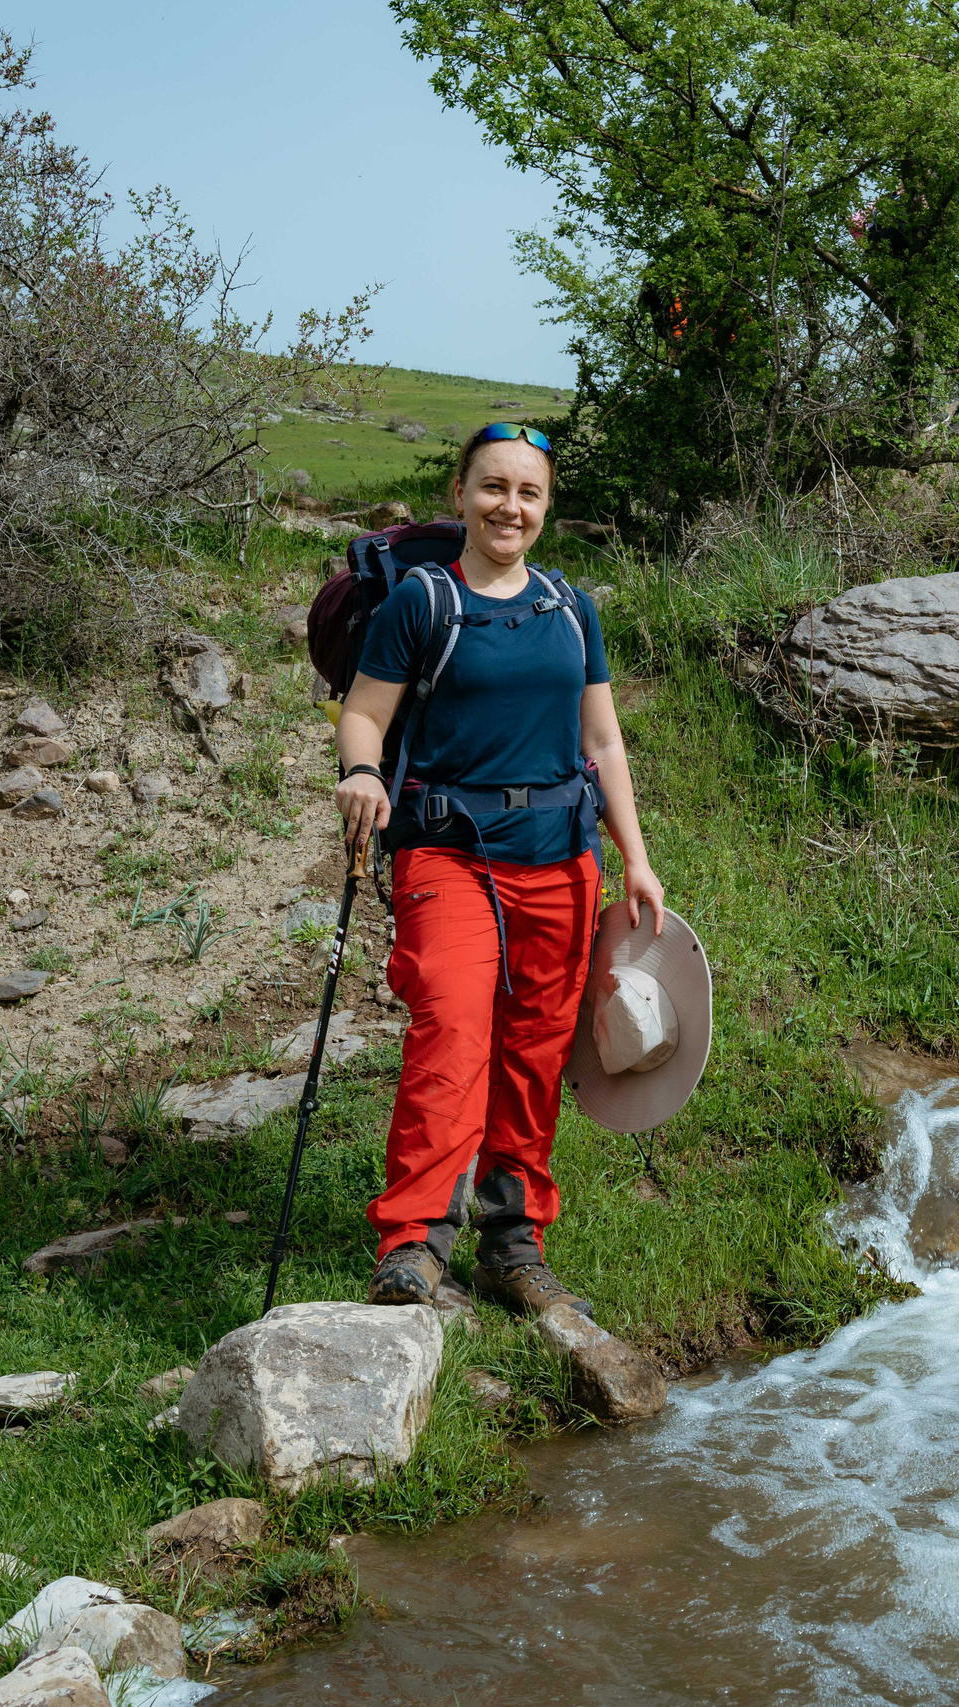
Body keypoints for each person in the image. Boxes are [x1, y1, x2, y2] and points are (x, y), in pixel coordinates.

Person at [332, 422, 666, 1315]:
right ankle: (413, 1243)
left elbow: (603, 740)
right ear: (460, 496)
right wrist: (361, 771)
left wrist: (636, 858)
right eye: (493, 487)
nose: (508, 506)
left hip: (562, 863)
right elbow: (364, 714)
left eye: (527, 492)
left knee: (534, 1054)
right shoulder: (423, 601)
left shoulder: (570, 608)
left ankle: (513, 1246)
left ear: (545, 509)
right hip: (447, 854)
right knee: (449, 1033)